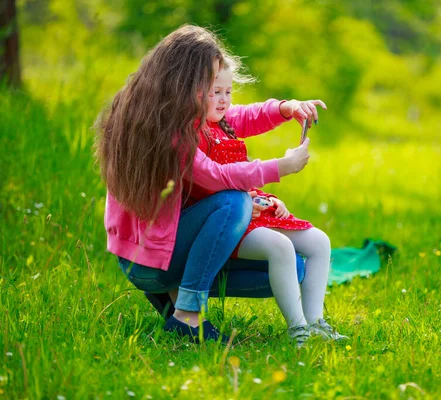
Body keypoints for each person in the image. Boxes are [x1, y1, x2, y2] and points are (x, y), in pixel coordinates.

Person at [94, 25, 312, 344]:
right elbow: (213, 175)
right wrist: (281, 167)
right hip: (150, 260)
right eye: (209, 86)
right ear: (185, 80)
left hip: (149, 254)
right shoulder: (167, 128)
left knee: (294, 267)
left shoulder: (160, 109)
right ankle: (187, 316)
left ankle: (173, 302)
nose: (216, 96)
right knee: (234, 202)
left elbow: (235, 117)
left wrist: (283, 108)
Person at [187, 56, 347, 346]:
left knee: (320, 242)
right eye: (215, 92)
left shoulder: (222, 122)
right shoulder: (191, 132)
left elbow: (252, 115)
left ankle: (315, 321)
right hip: (225, 225)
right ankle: (298, 329)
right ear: (194, 92)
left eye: (228, 91)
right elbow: (210, 184)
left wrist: (288, 107)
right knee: (281, 247)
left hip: (252, 212)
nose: (223, 100)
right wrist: (260, 189)